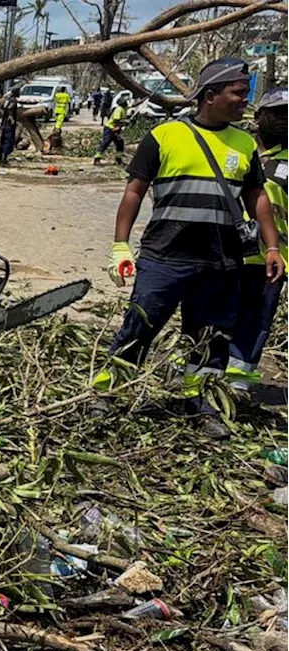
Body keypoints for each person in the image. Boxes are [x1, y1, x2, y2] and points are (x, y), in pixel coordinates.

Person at [95, 58, 286, 439]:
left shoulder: (244, 143)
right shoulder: (163, 136)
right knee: (139, 327)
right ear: (211, 94)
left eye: (245, 94)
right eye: (237, 93)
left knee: (210, 338)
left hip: (220, 263)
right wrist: (120, 245)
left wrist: (272, 246)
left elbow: (256, 197)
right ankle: (106, 395)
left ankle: (200, 405)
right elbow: (134, 191)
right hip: (165, 257)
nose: (243, 102)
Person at [229, 87, 289, 393]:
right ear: (260, 116)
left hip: (271, 261)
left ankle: (237, 384)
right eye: (278, 113)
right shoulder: (242, 152)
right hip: (227, 255)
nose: (284, 121)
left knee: (255, 322)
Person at [93, 96, 131, 165]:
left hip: (117, 129)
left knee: (120, 144)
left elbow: (134, 105)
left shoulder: (125, 108)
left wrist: (145, 99)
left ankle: (118, 159)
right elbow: (116, 120)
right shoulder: (119, 109)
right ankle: (97, 158)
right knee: (106, 142)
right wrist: (124, 122)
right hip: (110, 128)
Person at [0, 88, 19, 167]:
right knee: (8, 141)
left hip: (3, 123)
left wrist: (4, 115)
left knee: (2, 141)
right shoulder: (14, 101)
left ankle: (0, 159)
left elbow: (0, 107)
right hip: (9, 125)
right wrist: (11, 118)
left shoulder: (6, 100)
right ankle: (4, 160)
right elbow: (11, 109)